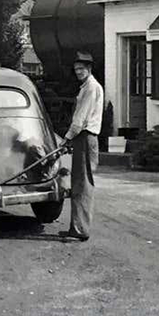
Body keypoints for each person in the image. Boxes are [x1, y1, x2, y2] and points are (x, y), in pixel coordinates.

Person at [61, 52, 103, 243]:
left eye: (81, 69)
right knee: (79, 181)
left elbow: (80, 119)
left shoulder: (91, 88)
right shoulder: (87, 87)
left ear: (89, 69)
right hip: (84, 138)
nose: (78, 72)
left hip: (85, 137)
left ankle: (80, 229)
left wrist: (66, 138)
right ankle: (76, 227)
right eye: (76, 69)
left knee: (82, 183)